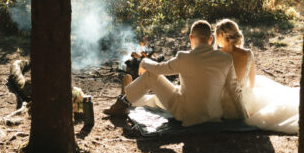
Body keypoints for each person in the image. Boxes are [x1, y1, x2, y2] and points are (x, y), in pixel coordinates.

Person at [105, 20, 244, 127]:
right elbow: (234, 90)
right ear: (211, 39)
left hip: (187, 115)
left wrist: (143, 62)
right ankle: (127, 98)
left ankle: (122, 103)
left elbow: (159, 68)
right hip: (214, 116)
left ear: (191, 38)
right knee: (179, 89)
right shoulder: (225, 58)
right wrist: (244, 116)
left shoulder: (184, 57)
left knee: (151, 75)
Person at [214, 18, 299, 134]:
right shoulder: (248, 54)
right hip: (244, 104)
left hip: (220, 107)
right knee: (261, 85)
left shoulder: (216, 55)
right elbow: (252, 83)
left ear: (220, 35)